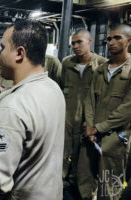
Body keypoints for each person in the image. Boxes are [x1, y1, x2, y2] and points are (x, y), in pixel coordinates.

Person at [0, 19, 65, 200]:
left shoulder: (12, 108)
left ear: (19, 53)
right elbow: (27, 101)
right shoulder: (52, 88)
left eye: (2, 48)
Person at [82, 24, 131, 200]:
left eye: (117, 38)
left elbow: (128, 109)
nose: (111, 42)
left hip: (115, 137)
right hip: (92, 135)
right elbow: (89, 100)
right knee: (86, 182)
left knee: (110, 186)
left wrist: (99, 127)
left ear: (129, 41)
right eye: (109, 38)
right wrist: (89, 126)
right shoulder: (101, 69)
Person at [61, 29, 107, 198]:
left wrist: (95, 124)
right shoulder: (66, 63)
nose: (75, 46)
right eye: (73, 43)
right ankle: (63, 184)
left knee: (86, 160)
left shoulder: (102, 65)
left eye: (79, 42)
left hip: (89, 121)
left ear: (90, 41)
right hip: (67, 118)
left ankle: (85, 193)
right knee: (64, 152)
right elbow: (61, 87)